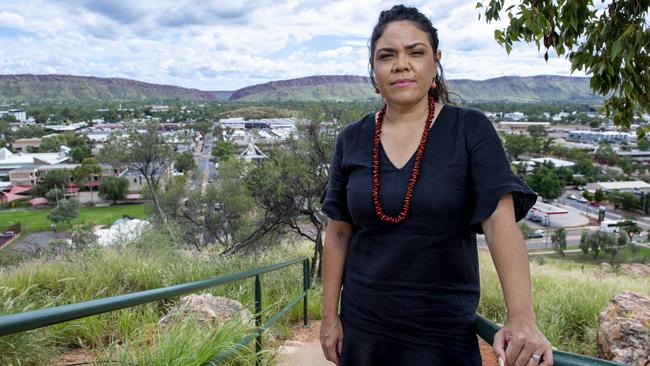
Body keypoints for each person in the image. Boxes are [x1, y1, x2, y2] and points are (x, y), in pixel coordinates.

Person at [319, 5, 553, 366]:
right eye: (387, 55)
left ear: (435, 61)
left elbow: (498, 221)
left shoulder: (470, 129)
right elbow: (337, 233)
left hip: (442, 334)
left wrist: (521, 315)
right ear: (373, 68)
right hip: (363, 329)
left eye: (415, 52)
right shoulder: (352, 139)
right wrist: (329, 318)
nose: (401, 64)